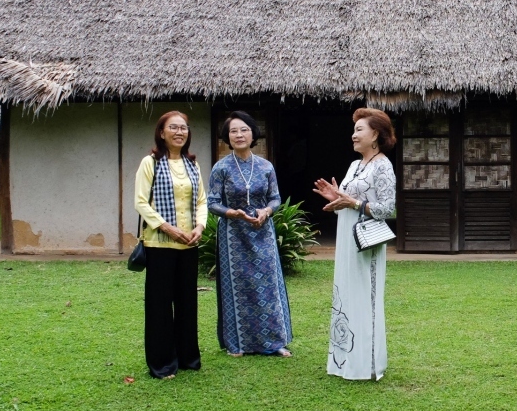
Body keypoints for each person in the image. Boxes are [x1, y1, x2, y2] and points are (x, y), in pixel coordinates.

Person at [313, 108, 397, 381]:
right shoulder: (354, 165)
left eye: (359, 129)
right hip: (346, 238)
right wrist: (336, 197)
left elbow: (388, 209)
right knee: (347, 295)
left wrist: (353, 202)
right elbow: (348, 203)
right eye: (354, 129)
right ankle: (346, 361)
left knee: (366, 298)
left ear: (375, 134)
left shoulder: (383, 165)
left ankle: (368, 364)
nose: (353, 134)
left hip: (366, 242)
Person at [207, 111, 293, 358]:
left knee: (268, 286)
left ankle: (274, 342)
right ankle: (238, 344)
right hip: (233, 235)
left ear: (253, 133)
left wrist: (266, 211)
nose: (239, 135)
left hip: (262, 232)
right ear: (227, 137)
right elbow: (212, 202)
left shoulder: (266, 166)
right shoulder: (221, 167)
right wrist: (231, 213)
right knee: (238, 286)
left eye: (243, 129)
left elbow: (275, 198)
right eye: (233, 131)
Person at [134, 111, 207, 379]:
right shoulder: (150, 163)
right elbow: (141, 202)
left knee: (188, 303)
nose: (179, 132)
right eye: (173, 127)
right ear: (162, 133)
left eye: (184, 128)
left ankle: (188, 357)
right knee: (160, 304)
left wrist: (199, 227)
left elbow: (201, 200)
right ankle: (162, 362)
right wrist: (167, 228)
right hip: (160, 244)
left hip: (189, 243)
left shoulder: (192, 165)